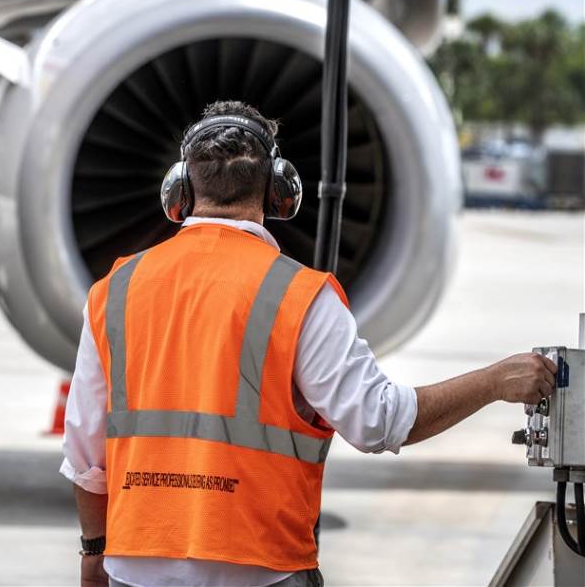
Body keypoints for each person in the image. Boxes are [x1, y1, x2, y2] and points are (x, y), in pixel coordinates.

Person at [59, 100, 557, 587]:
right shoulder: (298, 296)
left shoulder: (114, 292)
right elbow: (381, 421)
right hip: (260, 567)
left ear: (181, 189)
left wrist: (93, 553)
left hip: (137, 567)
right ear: (280, 190)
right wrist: (495, 381)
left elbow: (86, 454)